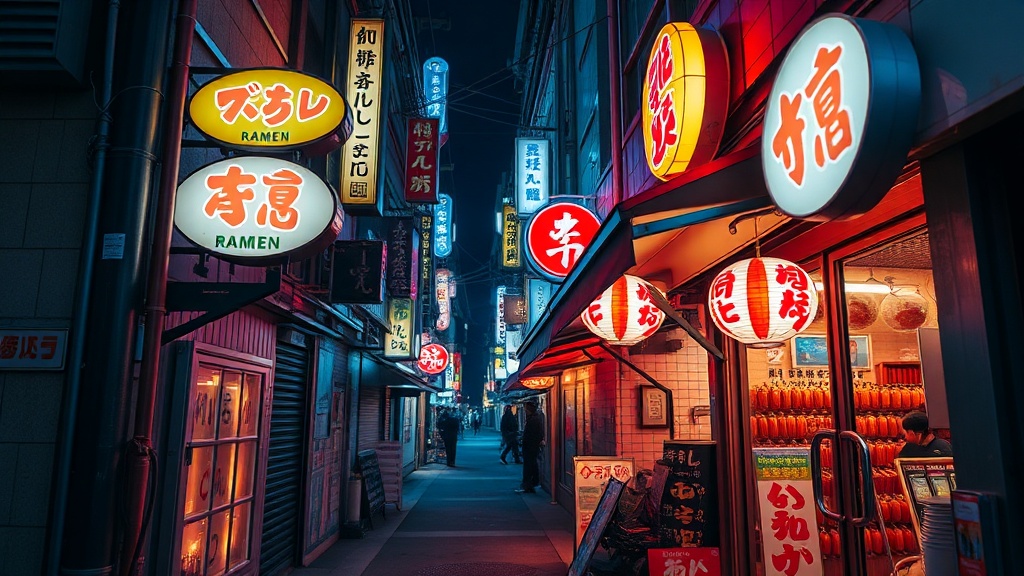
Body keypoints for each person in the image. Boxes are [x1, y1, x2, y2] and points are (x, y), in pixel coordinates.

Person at [515, 400, 545, 493]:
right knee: (532, 465)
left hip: (530, 447)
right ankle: (532, 483)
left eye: (526, 409)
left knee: (529, 466)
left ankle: (528, 485)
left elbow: (532, 435)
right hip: (532, 447)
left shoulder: (533, 420)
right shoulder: (535, 418)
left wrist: (525, 441)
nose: (525, 411)